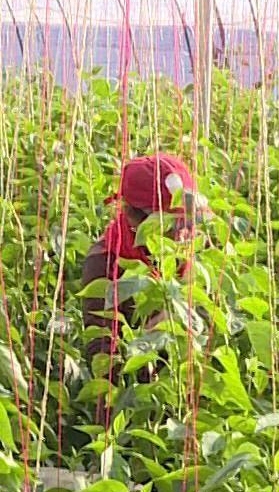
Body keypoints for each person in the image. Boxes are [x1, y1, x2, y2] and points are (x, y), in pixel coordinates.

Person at [77, 153, 204, 384]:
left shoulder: (186, 248)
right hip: (139, 392)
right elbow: (104, 361)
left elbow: (212, 321)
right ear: (134, 218)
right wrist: (146, 343)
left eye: (187, 221)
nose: (183, 232)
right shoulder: (104, 263)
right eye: (173, 223)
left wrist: (186, 316)